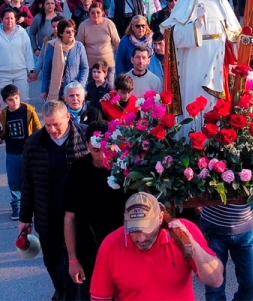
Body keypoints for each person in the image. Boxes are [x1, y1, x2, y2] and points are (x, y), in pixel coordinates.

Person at [90, 191, 224, 300]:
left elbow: (216, 280)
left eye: (147, 229)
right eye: (134, 230)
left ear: (160, 218)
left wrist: (193, 245)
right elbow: (99, 298)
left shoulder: (183, 231)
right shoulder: (111, 244)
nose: (141, 238)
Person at [19, 101, 89, 300]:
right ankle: (62, 290)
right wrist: (25, 219)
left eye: (56, 124)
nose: (52, 129)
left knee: (77, 258)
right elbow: (28, 183)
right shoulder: (34, 143)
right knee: (51, 260)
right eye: (48, 125)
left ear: (68, 117)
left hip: (78, 213)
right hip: (47, 213)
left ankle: (73, 294)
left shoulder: (84, 136)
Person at [162, 0, 242, 120]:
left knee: (215, 104)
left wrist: (245, 41)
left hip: (218, 62)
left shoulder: (223, 4)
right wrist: (196, 25)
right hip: (193, 61)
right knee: (194, 99)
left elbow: (235, 38)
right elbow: (173, 36)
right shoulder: (186, 2)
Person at [63, 120, 126, 300]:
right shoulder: (78, 170)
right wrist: (73, 259)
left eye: (107, 150)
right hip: (89, 251)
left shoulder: (124, 169)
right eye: (96, 150)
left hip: (122, 248)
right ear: (87, 146)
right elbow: (69, 217)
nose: (102, 156)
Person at [0, 84, 41, 221]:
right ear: (5, 101)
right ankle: (16, 205)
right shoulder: (4, 114)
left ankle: (32, 204)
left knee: (29, 178)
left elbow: (37, 129)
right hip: (12, 152)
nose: (14, 102)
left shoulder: (29, 111)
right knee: (14, 180)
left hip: (27, 151)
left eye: (16, 98)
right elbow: (3, 132)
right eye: (11, 100)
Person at [0, 7, 37, 99]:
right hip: (2, 74)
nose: (9, 21)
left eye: (12, 18)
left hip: (20, 73)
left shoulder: (22, 33)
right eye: (6, 18)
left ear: (15, 19)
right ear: (1, 19)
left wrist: (31, 70)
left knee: (23, 100)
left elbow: (28, 53)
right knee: (4, 101)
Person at [41, 19, 90, 101]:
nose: (71, 34)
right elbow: (46, 69)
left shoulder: (79, 46)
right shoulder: (52, 46)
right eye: (68, 32)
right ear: (60, 33)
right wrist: (44, 89)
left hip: (74, 90)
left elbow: (84, 68)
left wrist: (80, 85)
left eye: (73, 31)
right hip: (57, 90)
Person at [77, 2, 120, 81]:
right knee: (92, 88)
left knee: (109, 89)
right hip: (90, 65)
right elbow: (79, 46)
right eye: (92, 13)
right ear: (89, 13)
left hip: (108, 64)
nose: (95, 15)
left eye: (98, 12)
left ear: (103, 12)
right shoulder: (83, 26)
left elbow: (117, 43)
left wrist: (120, 59)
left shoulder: (109, 24)